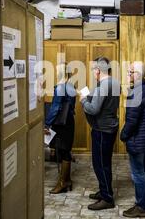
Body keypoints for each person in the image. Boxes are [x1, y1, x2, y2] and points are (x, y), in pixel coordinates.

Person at [80, 57, 120, 211]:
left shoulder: (104, 85)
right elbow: (105, 103)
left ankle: (107, 198)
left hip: (102, 130)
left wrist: (83, 100)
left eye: (93, 70)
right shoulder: (114, 82)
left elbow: (93, 109)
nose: (93, 72)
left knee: (100, 165)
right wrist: (91, 95)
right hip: (109, 127)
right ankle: (104, 191)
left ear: (98, 70)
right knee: (105, 162)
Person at [120, 62, 145, 218]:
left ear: (137, 74)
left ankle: (142, 206)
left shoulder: (135, 93)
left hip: (137, 141)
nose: (128, 74)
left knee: (138, 174)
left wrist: (123, 135)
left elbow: (131, 121)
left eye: (130, 72)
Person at [45, 63, 76, 194]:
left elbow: (55, 108)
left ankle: (63, 183)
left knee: (63, 151)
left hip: (61, 123)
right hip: (69, 122)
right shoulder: (71, 86)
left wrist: (46, 123)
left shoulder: (60, 88)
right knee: (66, 151)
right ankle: (66, 180)